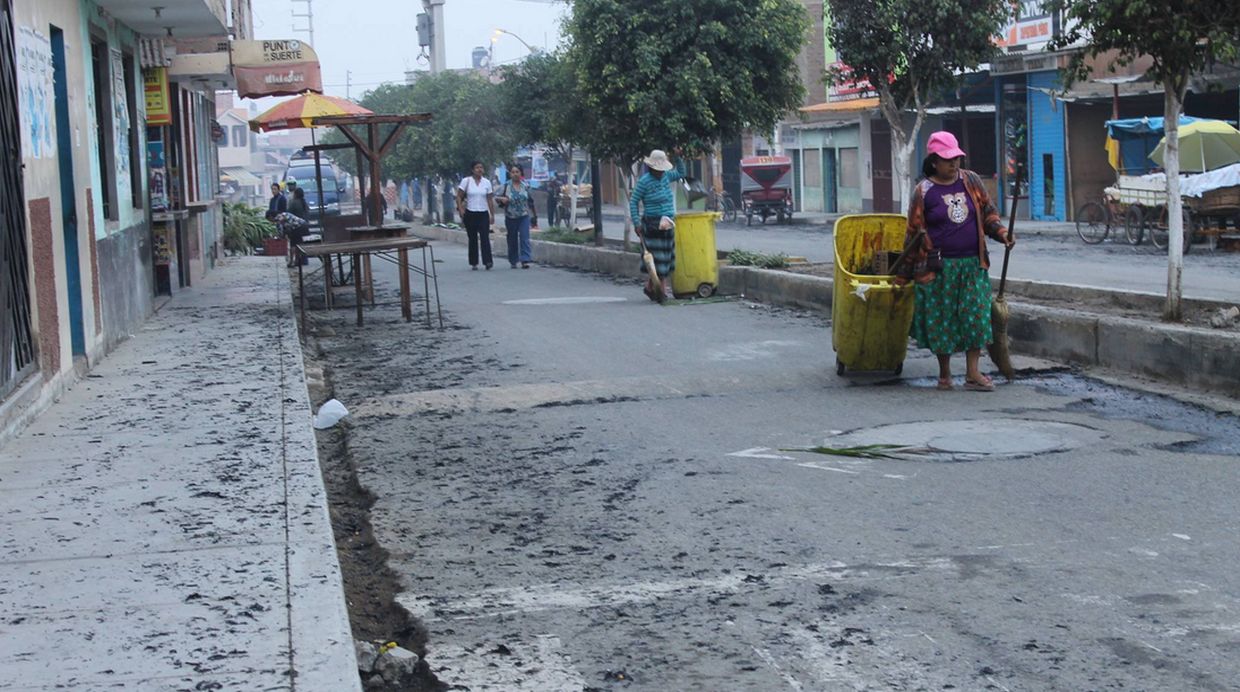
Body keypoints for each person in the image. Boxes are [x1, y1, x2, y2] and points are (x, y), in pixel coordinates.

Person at [903, 131, 1014, 391]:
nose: (953, 164)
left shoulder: (971, 181)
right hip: (940, 268)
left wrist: (1002, 233)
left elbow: (988, 214)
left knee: (975, 317)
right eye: (947, 159)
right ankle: (945, 374)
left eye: (956, 158)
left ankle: (972, 373)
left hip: (973, 264)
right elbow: (912, 234)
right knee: (943, 320)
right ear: (933, 161)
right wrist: (903, 275)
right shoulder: (923, 191)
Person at [629, 149, 683, 301]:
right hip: (652, 225)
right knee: (657, 259)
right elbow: (633, 202)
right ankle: (662, 291)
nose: (660, 172)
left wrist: (678, 157)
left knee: (666, 258)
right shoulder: (644, 181)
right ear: (652, 168)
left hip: (667, 223)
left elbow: (681, 173)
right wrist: (637, 222)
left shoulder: (667, 176)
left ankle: (650, 287)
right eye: (658, 170)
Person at [495, 163, 538, 269]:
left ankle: (525, 259)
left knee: (524, 237)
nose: (515, 174)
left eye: (517, 172)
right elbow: (496, 197)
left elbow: (530, 201)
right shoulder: (506, 186)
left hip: (524, 216)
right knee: (512, 239)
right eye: (513, 172)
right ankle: (513, 260)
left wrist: (534, 216)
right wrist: (502, 200)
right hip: (510, 217)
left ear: (521, 173)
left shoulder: (526, 186)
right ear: (510, 174)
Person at [456, 161, 495, 270]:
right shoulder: (466, 181)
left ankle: (487, 261)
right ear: (473, 170)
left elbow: (490, 199)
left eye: (481, 167)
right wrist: (460, 209)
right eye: (477, 167)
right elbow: (459, 196)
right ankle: (474, 262)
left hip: (483, 213)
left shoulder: (486, 182)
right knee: (472, 238)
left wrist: (492, 215)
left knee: (485, 238)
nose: (480, 169)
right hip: (470, 213)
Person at [282, 187, 311, 267]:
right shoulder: (304, 203)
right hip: (305, 226)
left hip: (296, 227)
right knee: (302, 244)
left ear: (296, 194)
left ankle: (293, 261)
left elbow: (288, 214)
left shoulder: (294, 203)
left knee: (293, 244)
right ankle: (303, 260)